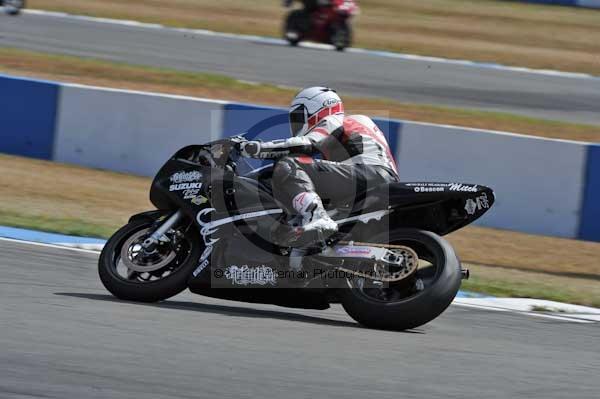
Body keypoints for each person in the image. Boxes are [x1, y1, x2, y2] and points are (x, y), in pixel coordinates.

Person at [240, 86, 398, 248]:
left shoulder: (336, 119)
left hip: (370, 174)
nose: (296, 123)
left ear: (318, 108)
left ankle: (316, 216)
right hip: (374, 178)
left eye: (299, 117)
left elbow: (306, 144)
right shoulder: (346, 132)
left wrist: (255, 148)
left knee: (290, 164)